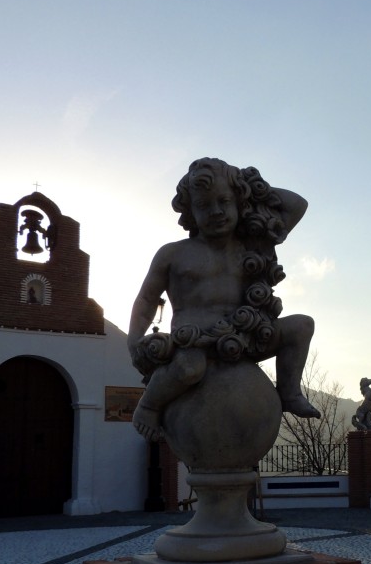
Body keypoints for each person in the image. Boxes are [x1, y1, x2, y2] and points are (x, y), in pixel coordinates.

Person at [128, 158, 320, 442]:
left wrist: (249, 186)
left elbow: (297, 205)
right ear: (191, 211)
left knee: (301, 326)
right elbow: (146, 298)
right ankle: (148, 405)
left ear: (239, 202)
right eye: (204, 205)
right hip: (196, 341)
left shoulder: (252, 246)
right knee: (188, 368)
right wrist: (134, 338)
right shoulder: (173, 254)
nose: (216, 211)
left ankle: (289, 392)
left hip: (246, 335)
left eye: (224, 201)